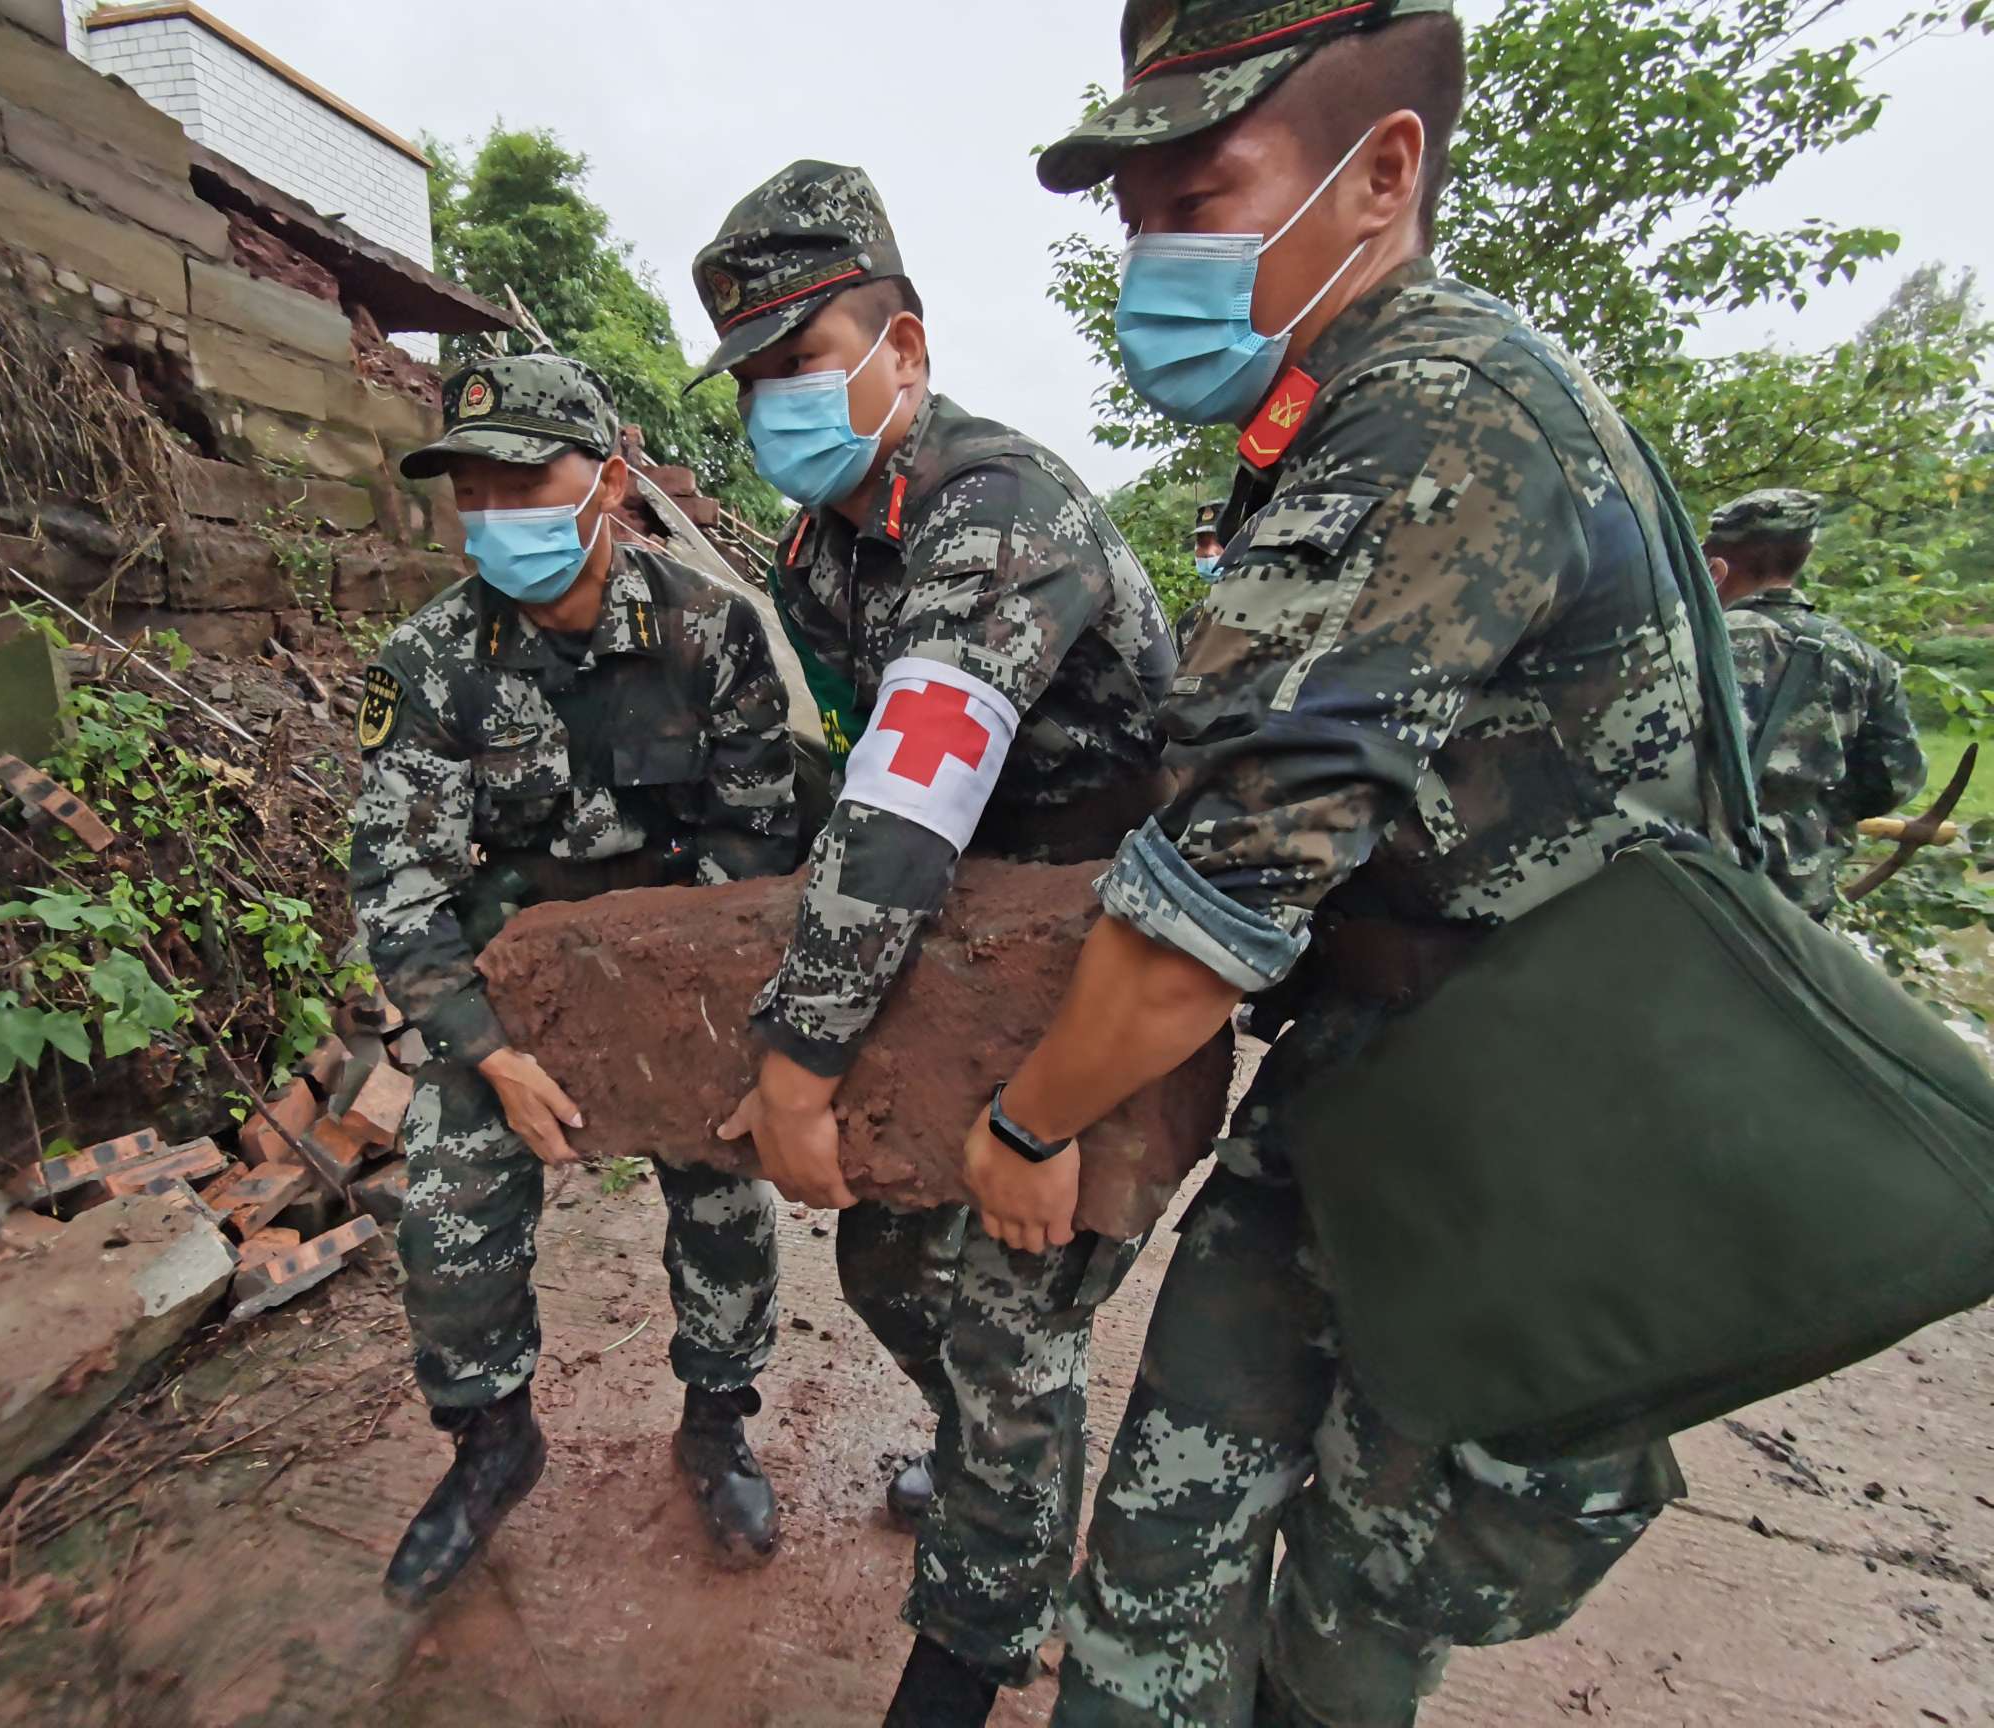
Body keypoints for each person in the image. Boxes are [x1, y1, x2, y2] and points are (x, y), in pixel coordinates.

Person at [960, 3, 1728, 1721]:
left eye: (1200, 192)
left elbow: (1206, 911)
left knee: (1353, 1623)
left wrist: (1026, 1124)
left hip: (1519, 1135)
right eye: (1133, 213)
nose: (1151, 251)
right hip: (1367, 1078)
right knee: (1156, 1562)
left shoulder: (1436, 418)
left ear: (1380, 174)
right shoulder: (1341, 410)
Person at [686, 160, 1176, 1724]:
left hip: (1106, 977)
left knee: (1011, 1304)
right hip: (957, 962)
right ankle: (998, 1471)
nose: (778, 399)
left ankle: (973, 1645)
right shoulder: (819, 551)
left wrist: (795, 1061)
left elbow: (905, 809)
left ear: (903, 341)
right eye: (752, 374)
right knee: (895, 1257)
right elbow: (852, 797)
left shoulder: (995, 512)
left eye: (803, 358)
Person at [349, 353, 798, 1605]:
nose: (495, 513)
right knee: (445, 1211)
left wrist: (679, 1027)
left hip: (682, 982)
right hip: (512, 1002)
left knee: (723, 1195)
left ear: (605, 481)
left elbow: (758, 848)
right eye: (470, 488)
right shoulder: (431, 664)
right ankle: (494, 1438)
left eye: (523, 478)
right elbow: (400, 884)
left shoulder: (711, 633)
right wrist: (489, 1052)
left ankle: (718, 1416)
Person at [1708, 488, 1927, 920]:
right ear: (1803, 556)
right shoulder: (1866, 661)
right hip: (1797, 893)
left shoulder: (1685, 639)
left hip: (1684, 877)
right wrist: (1809, 812)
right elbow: (1895, 780)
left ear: (1717, 557)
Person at [1180, 496, 1231, 648]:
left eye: (1219, 542)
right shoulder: (1188, 622)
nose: (1209, 552)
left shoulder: (1265, 610)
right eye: (1202, 544)